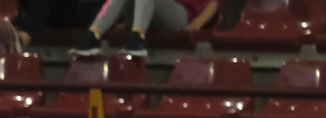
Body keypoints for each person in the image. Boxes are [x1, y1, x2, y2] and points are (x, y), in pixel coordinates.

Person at [72, 0, 218, 57]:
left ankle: (137, 37)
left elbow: (214, 3)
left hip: (181, 14)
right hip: (147, 9)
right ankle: (93, 34)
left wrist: (196, 25)